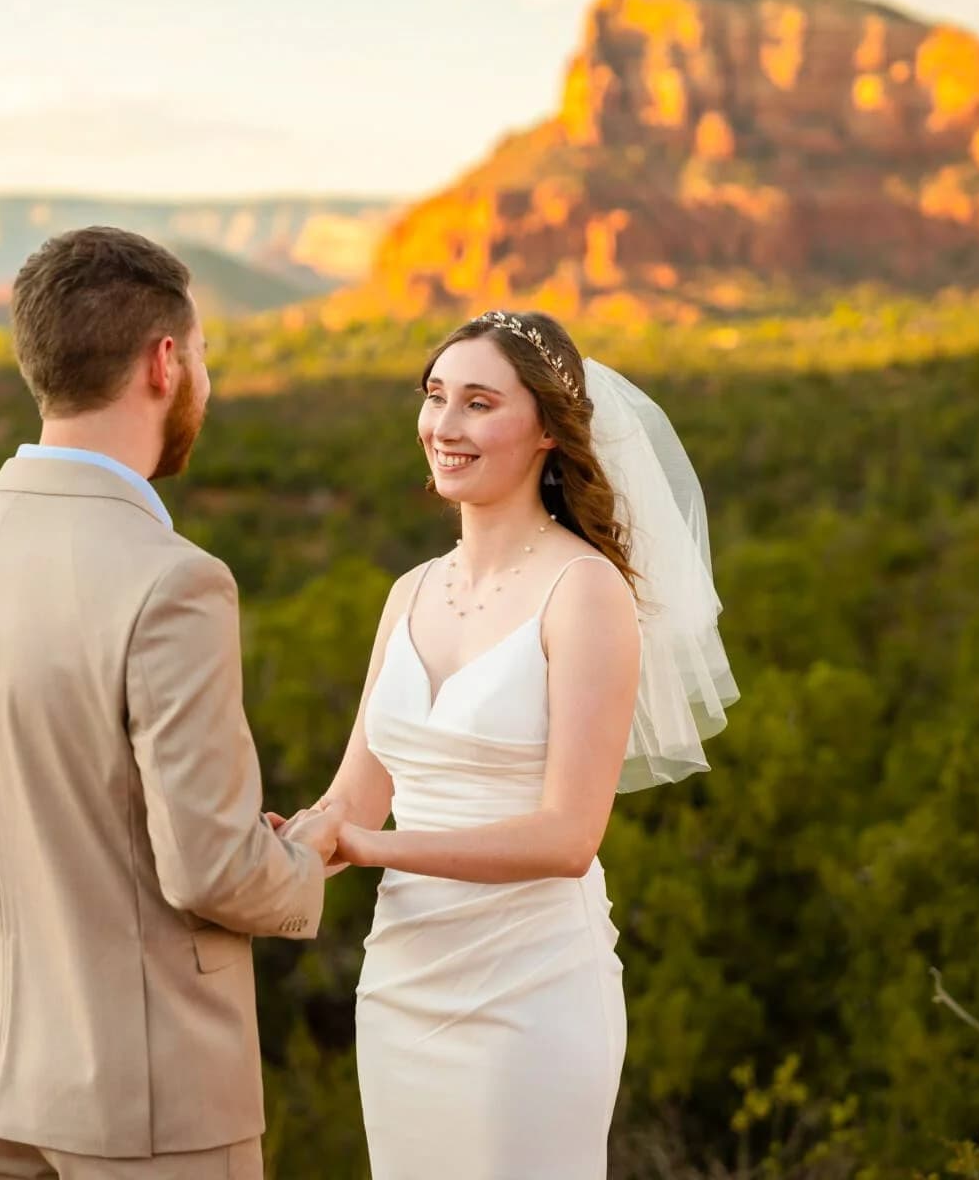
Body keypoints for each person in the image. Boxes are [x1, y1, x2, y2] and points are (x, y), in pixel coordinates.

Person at [0, 226, 342, 1180]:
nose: (203, 375)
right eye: (202, 353)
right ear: (165, 363)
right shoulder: (175, 582)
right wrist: (306, 856)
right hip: (149, 1097)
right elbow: (210, 869)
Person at [288, 310, 738, 1178]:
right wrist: (269, 845)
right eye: (435, 397)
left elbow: (569, 839)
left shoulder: (585, 593)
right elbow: (352, 799)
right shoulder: (409, 592)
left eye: (479, 403)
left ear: (544, 431)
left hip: (528, 996)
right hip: (400, 989)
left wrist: (368, 847)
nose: (445, 427)